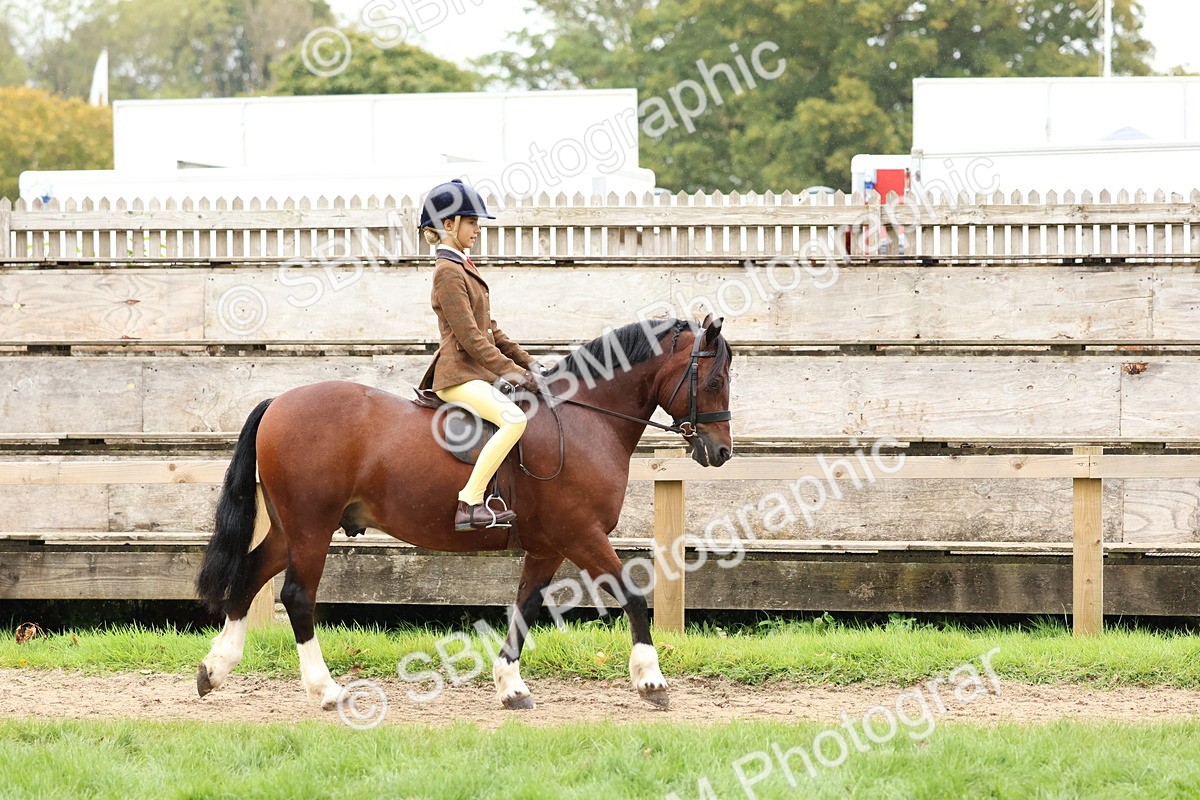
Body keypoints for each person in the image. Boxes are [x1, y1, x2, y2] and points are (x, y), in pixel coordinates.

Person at [416, 180, 545, 531]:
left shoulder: (462, 267)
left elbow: (491, 329)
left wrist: (530, 363)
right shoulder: (447, 272)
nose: (478, 229)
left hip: (476, 374)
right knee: (515, 420)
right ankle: (470, 502)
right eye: (471, 221)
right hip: (458, 376)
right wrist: (513, 373)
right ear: (448, 225)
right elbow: (471, 338)